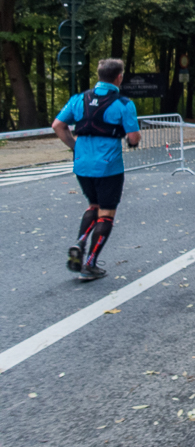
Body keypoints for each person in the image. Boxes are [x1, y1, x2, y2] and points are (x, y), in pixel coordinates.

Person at [52, 58, 142, 281]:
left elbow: (57, 125)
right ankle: (90, 263)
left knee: (93, 204)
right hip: (108, 166)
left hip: (82, 164)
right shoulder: (123, 104)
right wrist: (133, 142)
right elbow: (133, 137)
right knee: (107, 212)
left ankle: (80, 241)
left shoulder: (79, 99)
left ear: (99, 75)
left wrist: (75, 147)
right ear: (119, 77)